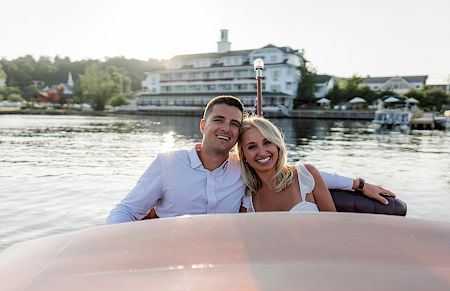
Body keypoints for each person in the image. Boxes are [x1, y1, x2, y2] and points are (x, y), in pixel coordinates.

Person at [106, 95, 394, 224]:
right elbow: (126, 211)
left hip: (228, 260)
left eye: (234, 123)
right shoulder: (167, 163)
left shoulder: (242, 169)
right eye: (218, 120)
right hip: (174, 252)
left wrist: (360, 184)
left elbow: (300, 173)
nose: (226, 128)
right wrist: (112, 244)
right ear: (204, 125)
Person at [238, 116, 336, 213]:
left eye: (267, 142)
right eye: (252, 147)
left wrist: (351, 184)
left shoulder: (305, 175)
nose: (262, 152)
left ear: (277, 145)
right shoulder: (247, 200)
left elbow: (333, 223)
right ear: (243, 155)